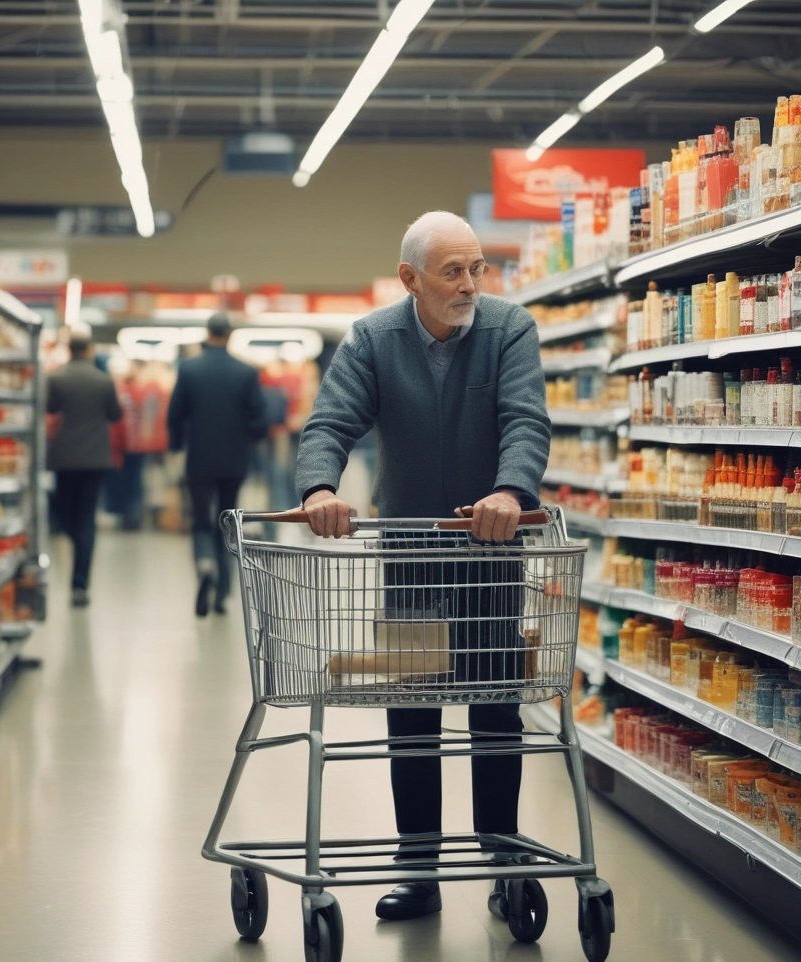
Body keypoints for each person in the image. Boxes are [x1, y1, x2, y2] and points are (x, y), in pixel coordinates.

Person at [294, 210, 551, 921]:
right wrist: (319, 488)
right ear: (410, 279)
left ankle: (502, 858)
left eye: (478, 269)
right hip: (411, 556)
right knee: (413, 711)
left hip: (493, 549)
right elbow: (330, 422)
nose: (470, 284)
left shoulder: (510, 329)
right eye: (453, 272)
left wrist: (511, 490)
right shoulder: (375, 340)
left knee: (495, 706)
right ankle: (420, 870)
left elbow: (526, 419)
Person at [167, 312, 269, 617]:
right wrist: (249, 440)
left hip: (199, 457)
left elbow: (175, 415)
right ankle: (223, 593)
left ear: (207, 333)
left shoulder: (189, 369)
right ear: (229, 335)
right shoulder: (245, 372)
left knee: (201, 519)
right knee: (228, 520)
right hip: (234, 460)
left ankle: (204, 564)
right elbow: (260, 420)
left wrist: (175, 446)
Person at [46, 329, 123, 608]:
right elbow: (115, 414)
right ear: (89, 350)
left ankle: (75, 536)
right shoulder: (104, 381)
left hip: (65, 457)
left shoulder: (56, 378)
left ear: (69, 350)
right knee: (87, 517)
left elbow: (51, 408)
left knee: (65, 510)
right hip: (95, 457)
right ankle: (80, 584)